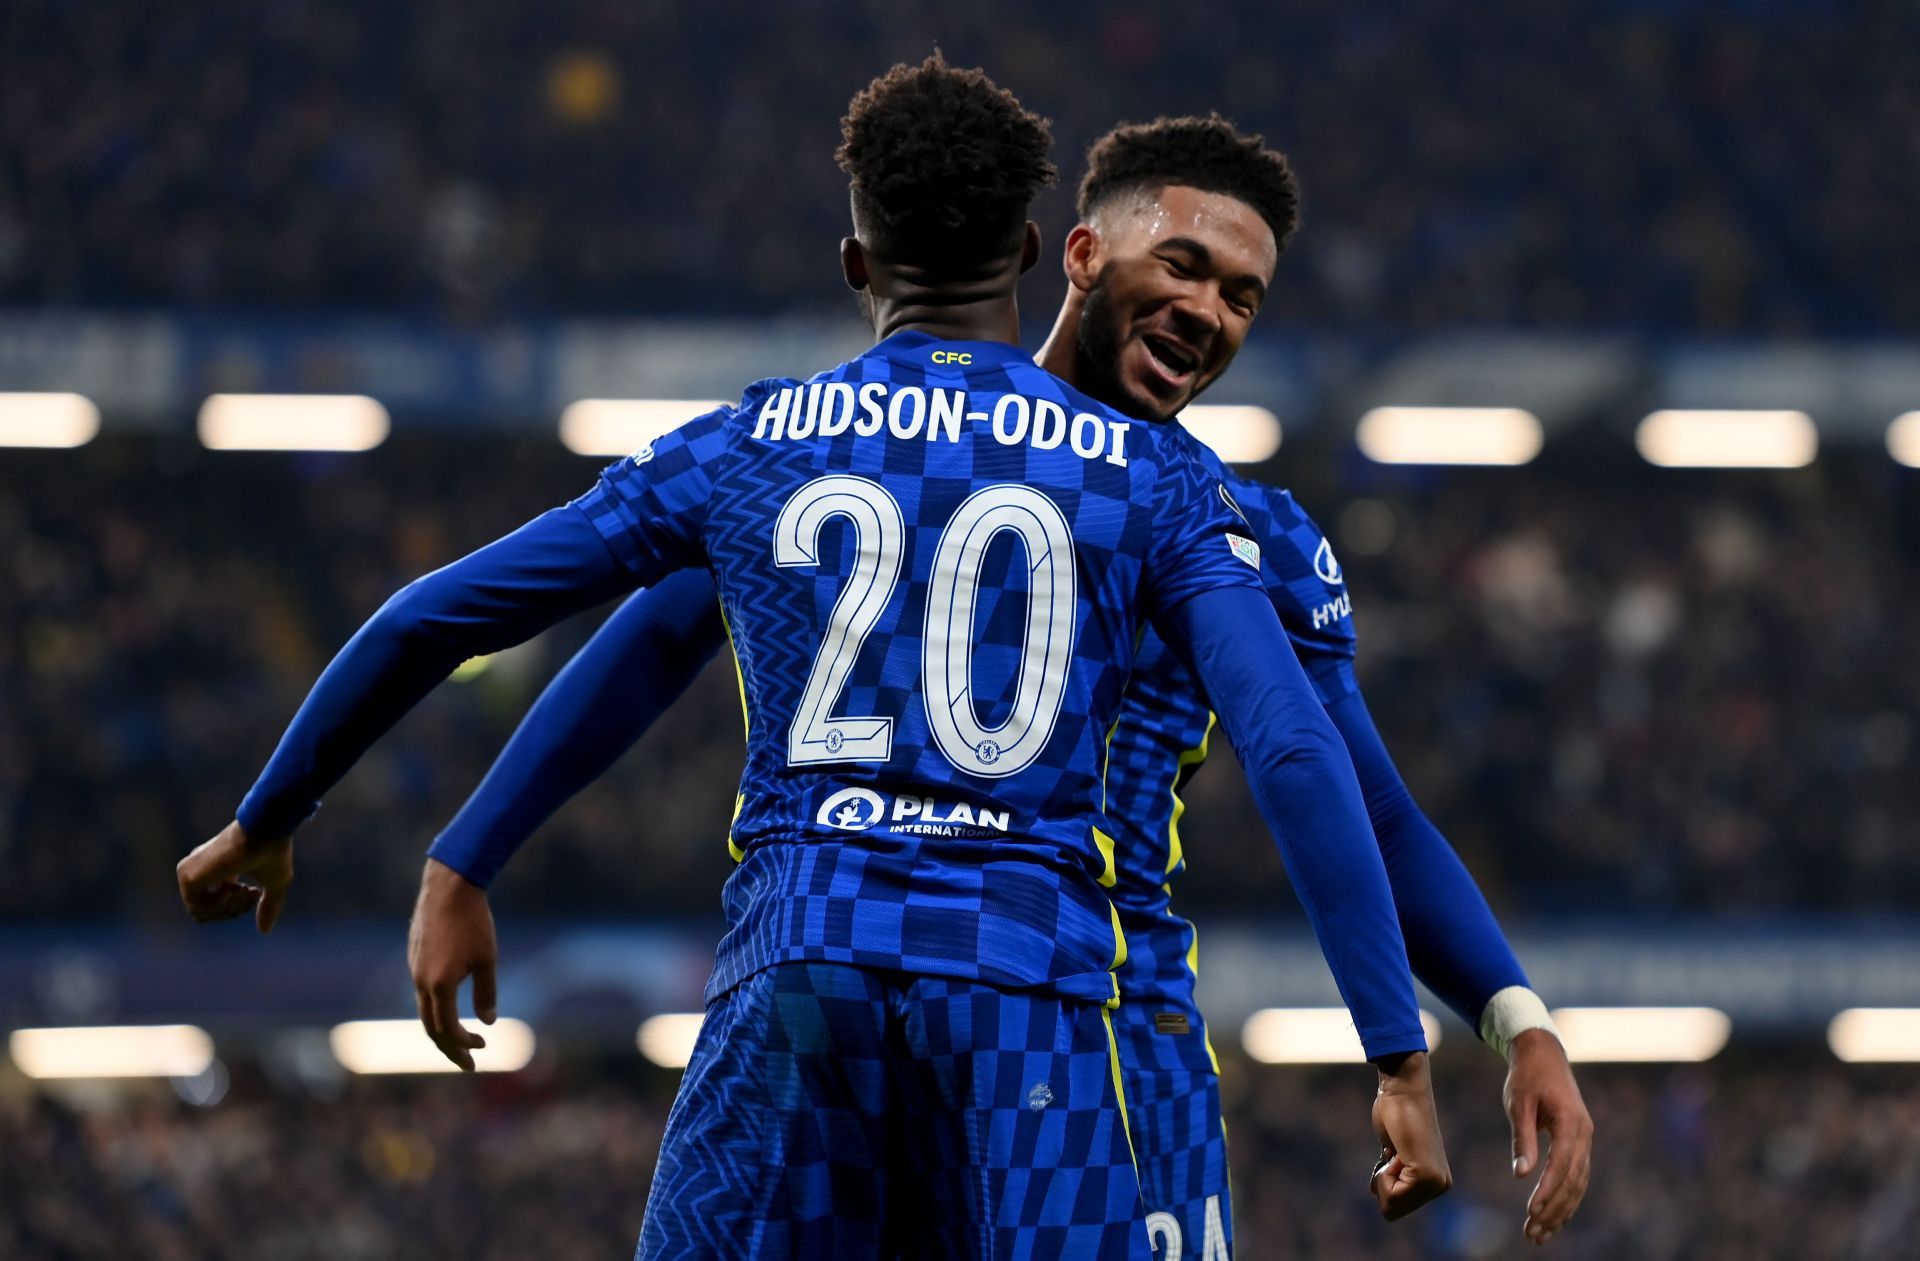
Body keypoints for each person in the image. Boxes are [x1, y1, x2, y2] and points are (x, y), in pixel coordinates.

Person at [176, 57, 1450, 1259]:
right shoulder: (1153, 475)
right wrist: (1394, 1050)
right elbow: (1290, 744)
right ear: (1026, 251)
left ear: (855, 260)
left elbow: (434, 618)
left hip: (798, 967)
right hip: (1032, 995)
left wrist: (273, 816)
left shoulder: (751, 445)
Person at [416, 115, 1591, 1257]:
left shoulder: (1249, 538)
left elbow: (1367, 803)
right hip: (902, 1013)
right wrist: (471, 849)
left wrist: (1513, 1017)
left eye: (1242, 297)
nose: (1208, 312)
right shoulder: (888, 449)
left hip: (1110, 1048)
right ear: (1077, 254)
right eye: (1182, 266)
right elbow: (650, 642)